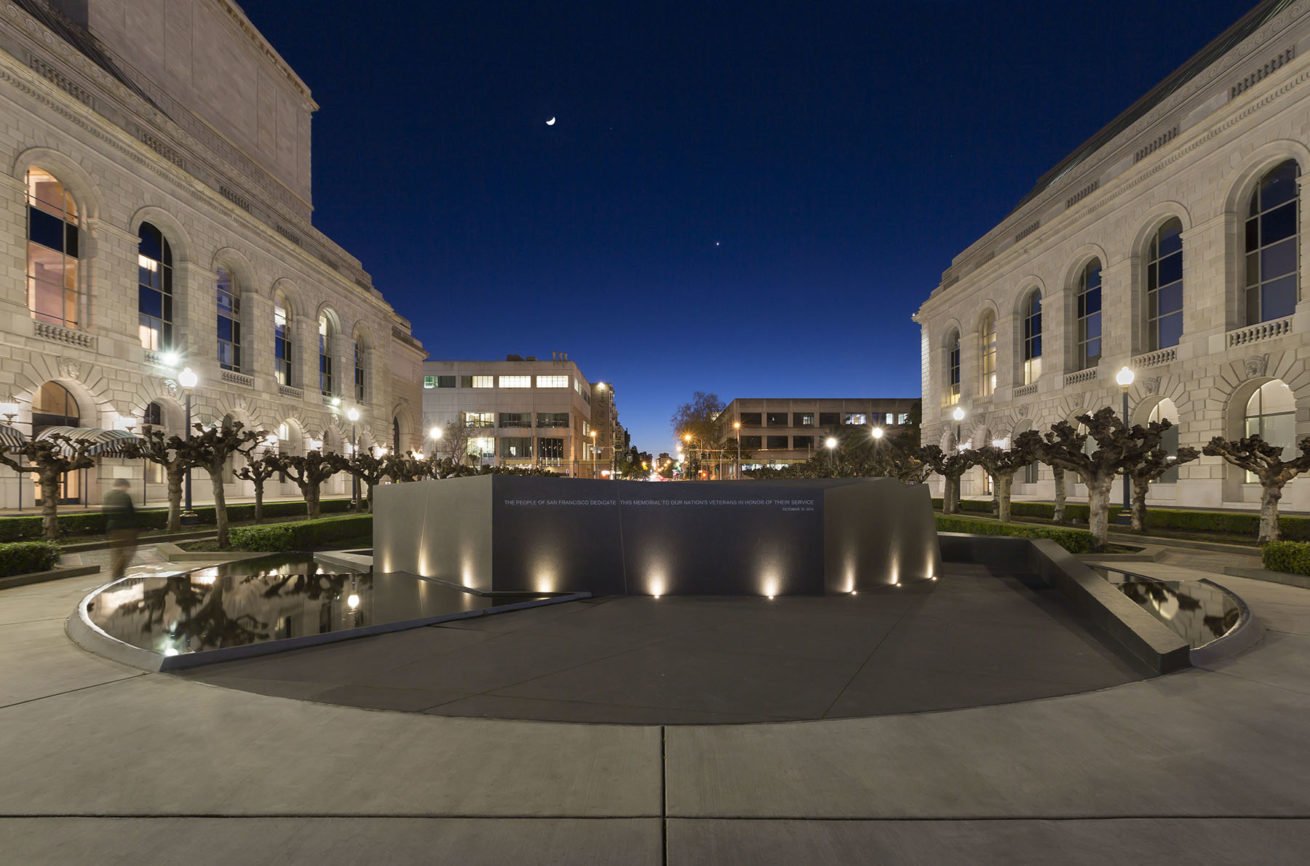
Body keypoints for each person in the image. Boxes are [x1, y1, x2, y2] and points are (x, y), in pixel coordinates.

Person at [104, 478, 139, 579]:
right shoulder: (124, 496)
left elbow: (105, 512)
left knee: (116, 553)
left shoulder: (108, 495)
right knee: (129, 552)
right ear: (123, 485)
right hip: (126, 529)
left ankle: (117, 575)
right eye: (127, 487)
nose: (127, 489)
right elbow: (130, 513)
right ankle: (117, 575)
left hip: (112, 529)